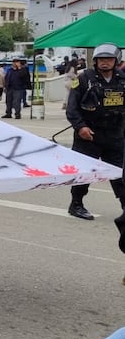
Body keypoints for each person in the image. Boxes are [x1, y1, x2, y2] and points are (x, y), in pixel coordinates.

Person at [65, 43, 125, 221]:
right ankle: (76, 204)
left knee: (118, 173)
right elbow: (72, 108)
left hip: (115, 135)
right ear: (95, 61)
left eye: (109, 59)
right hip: (89, 135)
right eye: (101, 59)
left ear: (116, 61)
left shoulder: (122, 79)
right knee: (85, 172)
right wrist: (81, 127)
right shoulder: (83, 79)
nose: (105, 63)